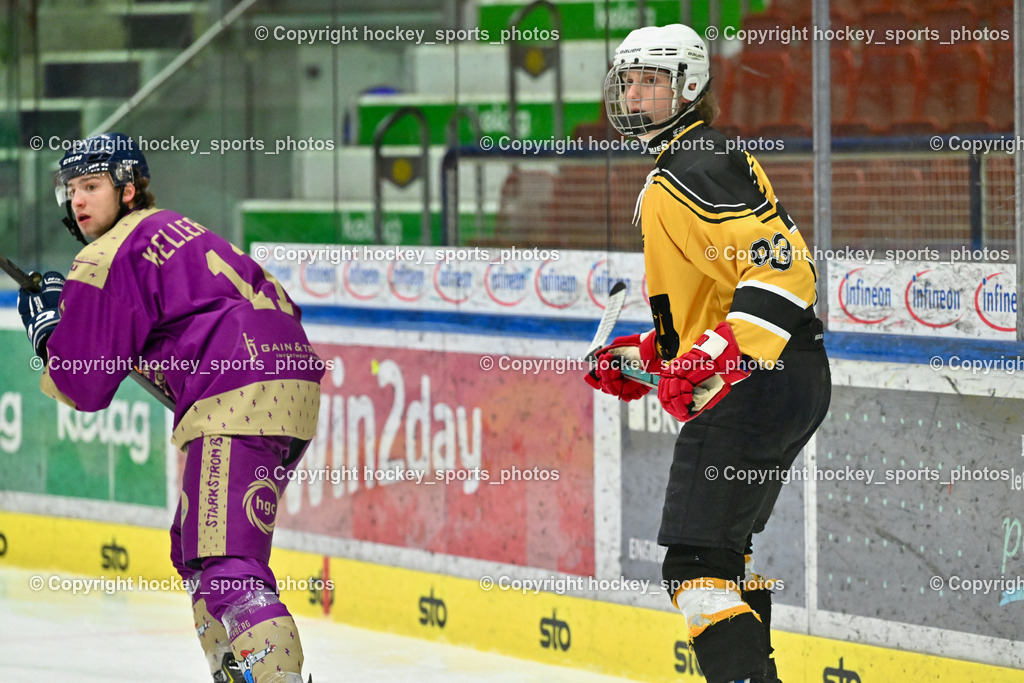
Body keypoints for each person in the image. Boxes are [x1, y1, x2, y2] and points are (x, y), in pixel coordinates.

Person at [18, 132, 323, 683]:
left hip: (238, 391)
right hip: (290, 380)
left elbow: (84, 386)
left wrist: (46, 334)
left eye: (92, 185)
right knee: (194, 546)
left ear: (128, 189)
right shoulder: (173, 228)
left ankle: (275, 677)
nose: (78, 199)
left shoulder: (105, 255)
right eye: (71, 189)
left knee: (228, 563)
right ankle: (236, 670)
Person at [586, 25, 831, 683]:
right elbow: (719, 305)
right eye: (627, 82)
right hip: (783, 374)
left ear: (689, 86)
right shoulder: (692, 160)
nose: (633, 96)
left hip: (761, 380)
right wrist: (647, 357)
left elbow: (786, 271)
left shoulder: (698, 164)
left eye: (650, 81)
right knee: (721, 560)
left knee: (695, 568)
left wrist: (713, 357)